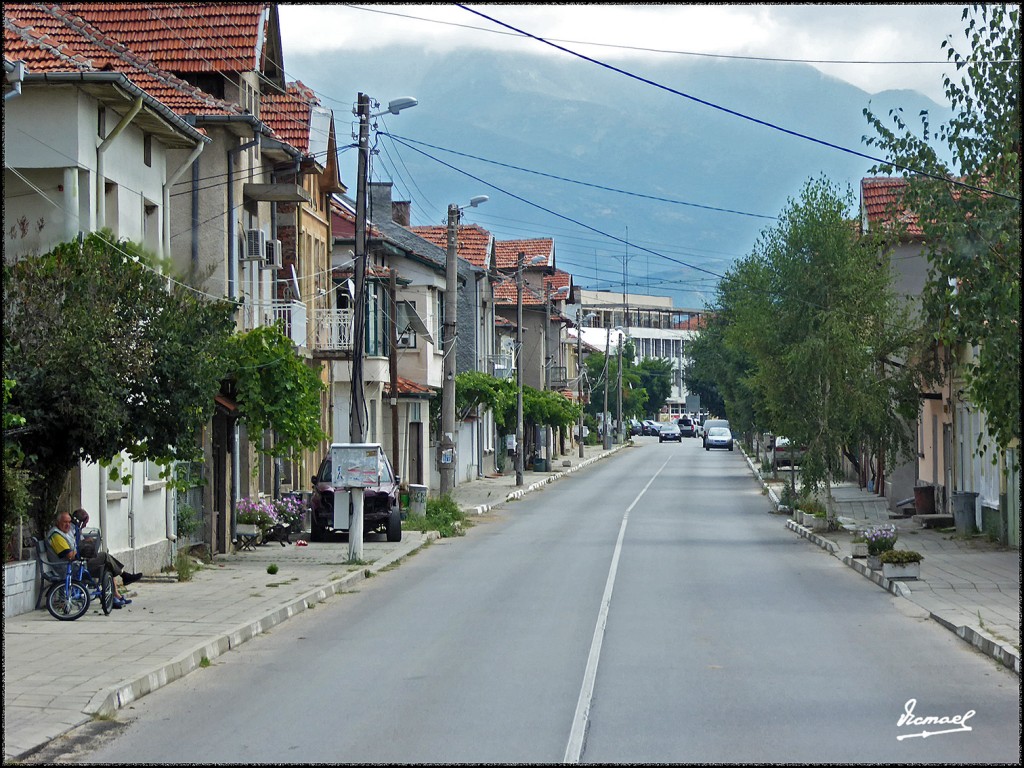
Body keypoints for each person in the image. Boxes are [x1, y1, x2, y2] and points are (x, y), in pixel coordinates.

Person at [47, 510, 142, 608]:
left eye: (69, 522)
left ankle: (115, 595)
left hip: (77, 564)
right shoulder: (56, 535)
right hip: (70, 567)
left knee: (108, 565)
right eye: (64, 522)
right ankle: (124, 577)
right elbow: (70, 555)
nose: (67, 525)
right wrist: (82, 549)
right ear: (58, 522)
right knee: (104, 556)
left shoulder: (66, 531)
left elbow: (76, 542)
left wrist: (84, 542)